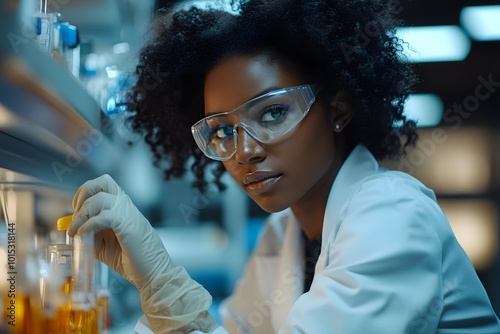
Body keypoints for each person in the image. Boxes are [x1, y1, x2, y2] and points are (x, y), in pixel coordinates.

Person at [68, 0, 500, 333]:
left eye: (272, 113)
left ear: (340, 107)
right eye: (222, 130)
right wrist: (154, 287)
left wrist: (164, 284)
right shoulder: (284, 235)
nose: (244, 151)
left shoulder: (393, 216)